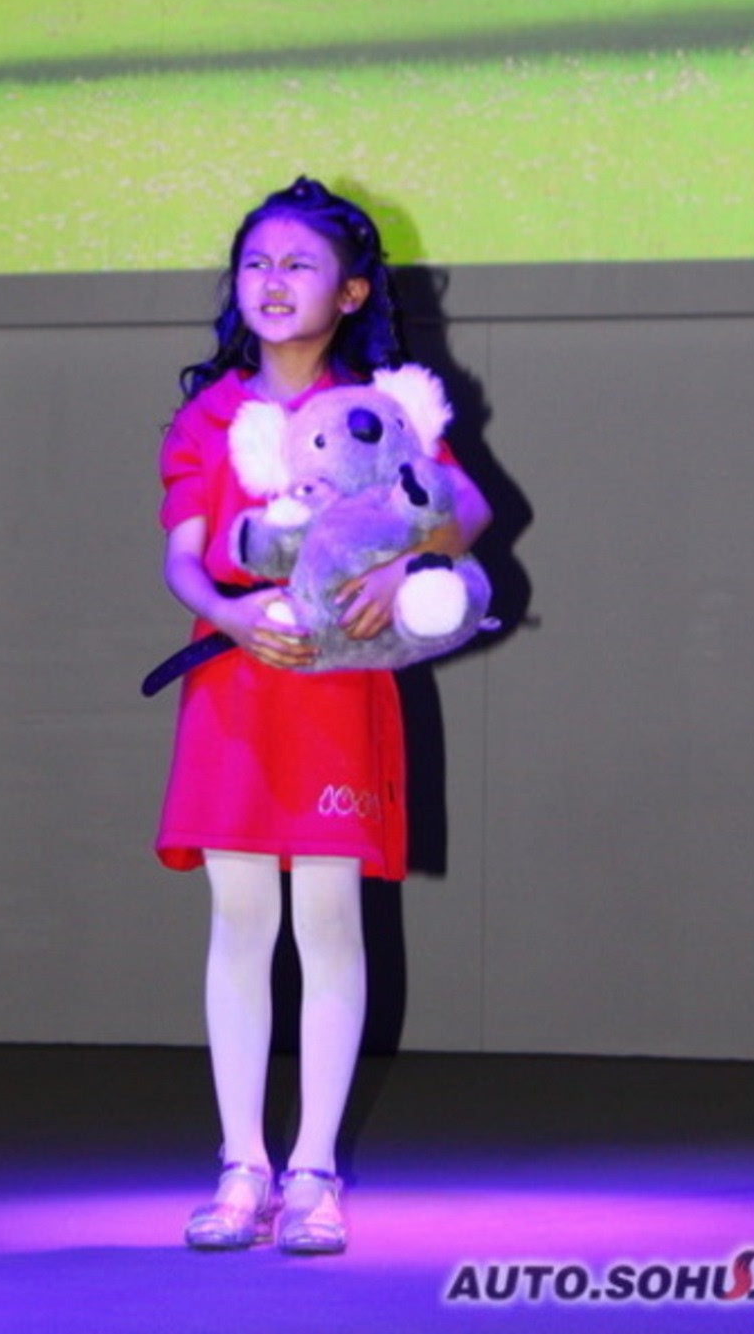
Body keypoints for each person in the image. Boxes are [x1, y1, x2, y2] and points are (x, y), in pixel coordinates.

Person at [155, 177, 491, 1255]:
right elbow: (183, 554)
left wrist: (406, 568)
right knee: (239, 920)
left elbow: (465, 506)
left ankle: (313, 1171)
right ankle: (240, 1164)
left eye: (298, 264)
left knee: (331, 921)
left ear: (349, 292)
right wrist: (226, 612)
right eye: (255, 263)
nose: (272, 281)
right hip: (236, 692)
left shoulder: (378, 410)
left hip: (340, 695)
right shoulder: (212, 414)